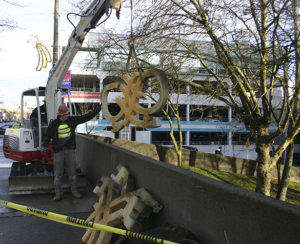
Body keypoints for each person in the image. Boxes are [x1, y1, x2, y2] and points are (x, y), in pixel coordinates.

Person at [42, 103, 101, 201]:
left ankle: (74, 191)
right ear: (60, 115)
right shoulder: (53, 124)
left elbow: (85, 117)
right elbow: (47, 137)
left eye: (67, 114)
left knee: (72, 172)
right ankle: (58, 193)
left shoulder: (72, 120)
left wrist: (97, 110)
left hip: (70, 149)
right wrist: (44, 146)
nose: (67, 116)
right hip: (58, 151)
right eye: (65, 114)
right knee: (58, 173)